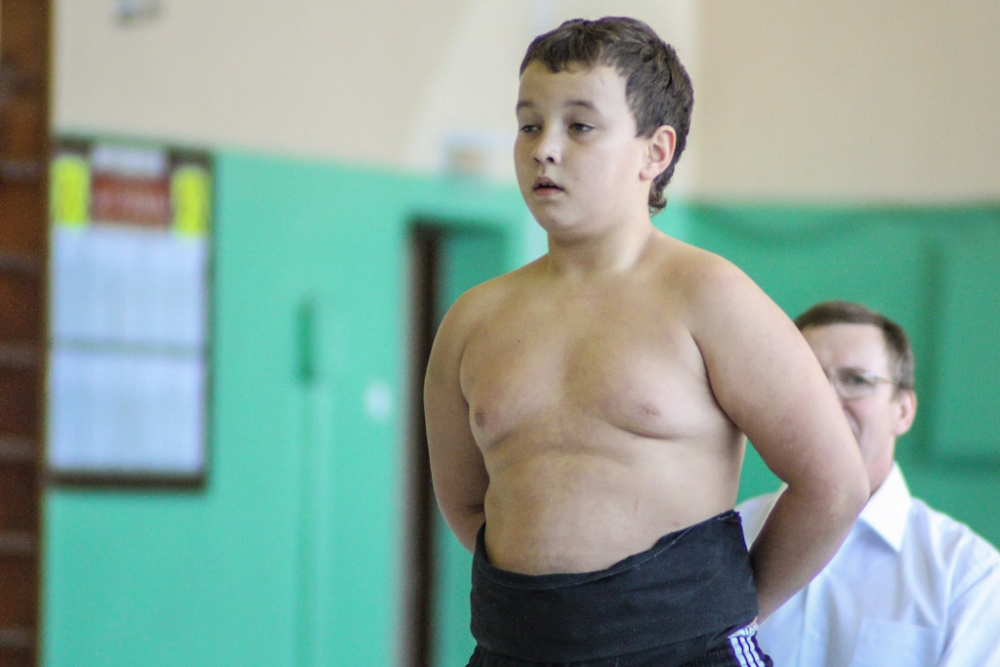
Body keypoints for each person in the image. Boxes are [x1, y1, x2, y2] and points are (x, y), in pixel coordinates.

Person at [424, 17, 869, 667]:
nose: (545, 148)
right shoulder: (472, 319)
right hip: (514, 649)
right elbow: (466, 503)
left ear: (655, 152)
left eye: (580, 126)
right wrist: (569, 619)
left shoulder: (711, 296)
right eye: (529, 125)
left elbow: (834, 484)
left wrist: (722, 612)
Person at [738, 300, 1000, 666]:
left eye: (856, 380)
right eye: (807, 379)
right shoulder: (730, 539)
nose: (826, 401)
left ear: (903, 410)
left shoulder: (967, 574)